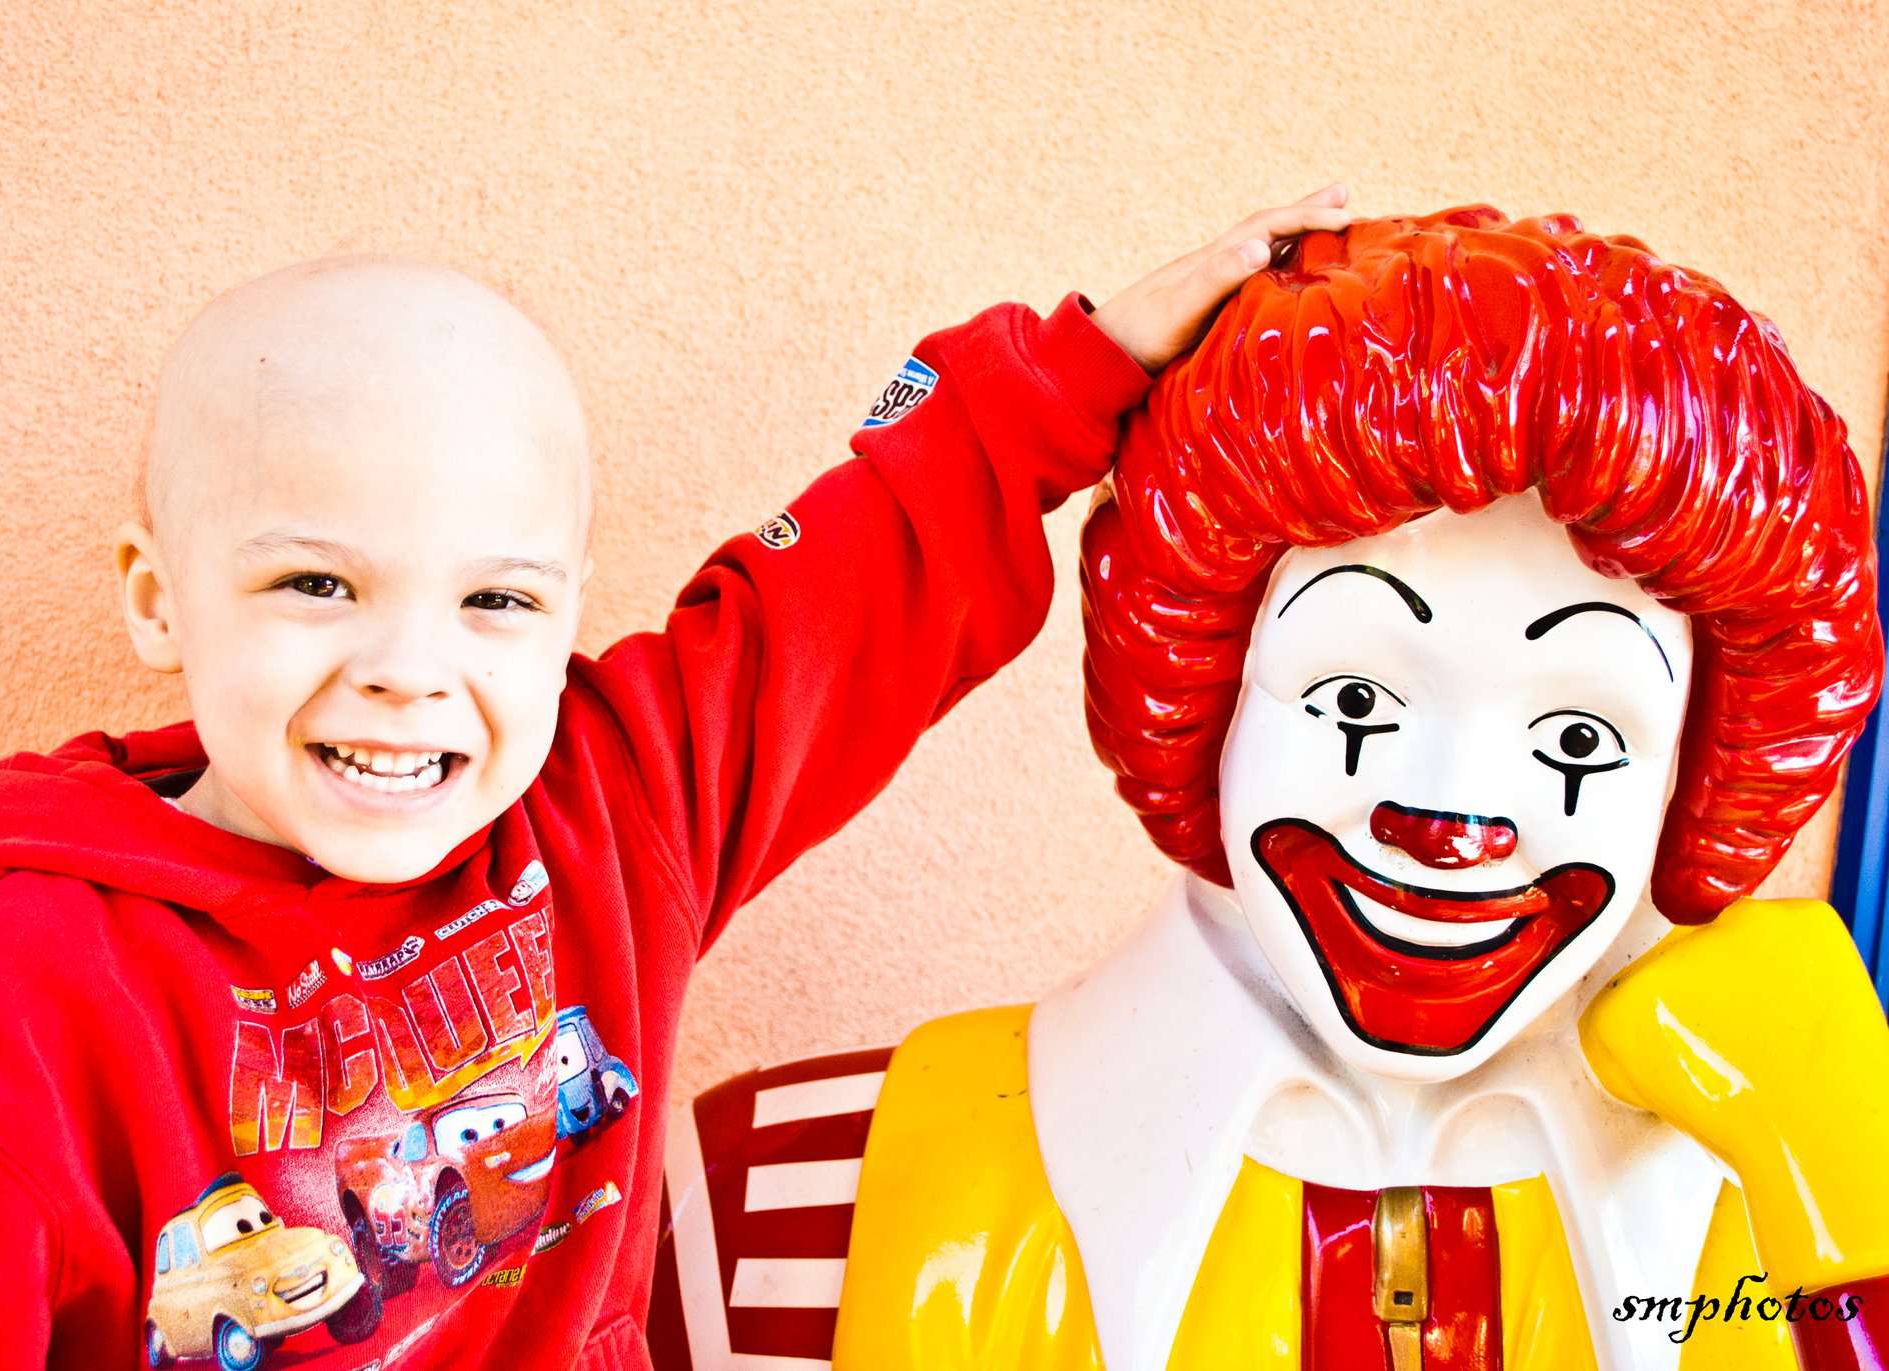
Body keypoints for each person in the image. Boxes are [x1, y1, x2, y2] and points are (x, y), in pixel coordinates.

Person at [0, 188, 1353, 1370]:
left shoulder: (609, 805)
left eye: (494, 601)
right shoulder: (11, 985)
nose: (411, 669)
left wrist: (1078, 366)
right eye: (317, 582)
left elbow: (843, 590)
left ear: (568, 602)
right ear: (159, 599)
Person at [649, 208, 1889, 1371]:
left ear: (1695, 777)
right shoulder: (772, 1210)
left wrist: (1857, 1213)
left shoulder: (1802, 1226)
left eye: (1574, 737)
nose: (1453, 817)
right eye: (1354, 699)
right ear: (1201, 695)